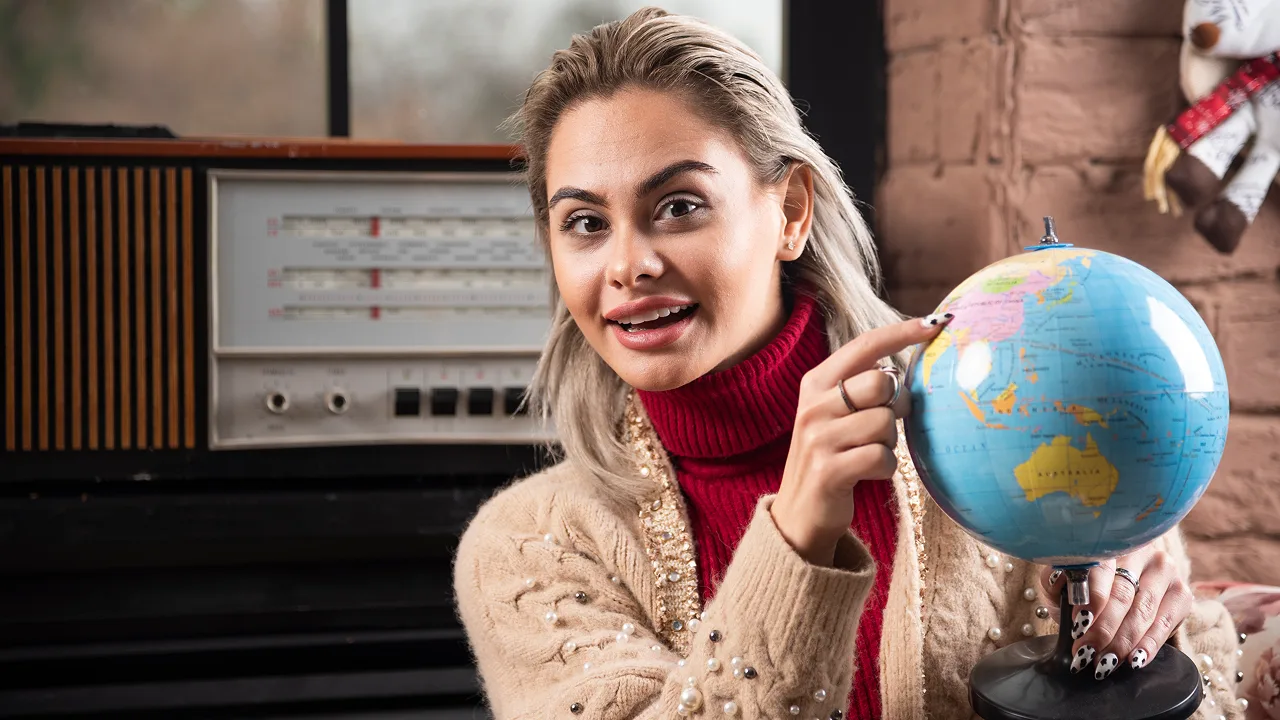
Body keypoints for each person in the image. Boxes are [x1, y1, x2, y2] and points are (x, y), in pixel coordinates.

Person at [453, 7, 1244, 719]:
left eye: (679, 206)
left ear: (791, 211)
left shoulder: (1017, 430)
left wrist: (1136, 646)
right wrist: (794, 540)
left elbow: (1208, 686)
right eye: (586, 223)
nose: (627, 266)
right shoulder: (527, 548)